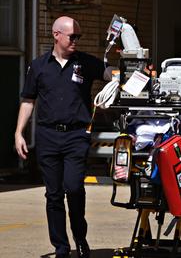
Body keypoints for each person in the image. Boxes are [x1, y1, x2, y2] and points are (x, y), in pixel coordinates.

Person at [14, 16, 108, 258]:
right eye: (71, 36)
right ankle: (61, 247)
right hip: (47, 136)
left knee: (74, 188)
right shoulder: (39, 66)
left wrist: (128, 68)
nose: (76, 40)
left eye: (78, 36)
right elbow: (28, 100)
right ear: (56, 35)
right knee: (53, 194)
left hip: (76, 135)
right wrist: (19, 133)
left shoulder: (85, 63)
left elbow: (110, 73)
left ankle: (80, 236)